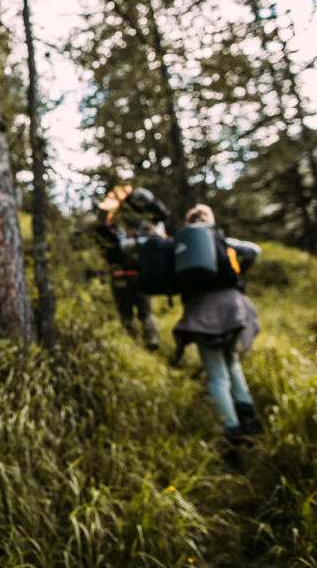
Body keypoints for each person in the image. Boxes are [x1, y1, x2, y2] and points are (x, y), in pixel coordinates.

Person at [171, 204, 262, 463]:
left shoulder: (182, 246)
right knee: (233, 364)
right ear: (209, 219)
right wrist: (237, 272)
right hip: (233, 308)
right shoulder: (221, 239)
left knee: (216, 376)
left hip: (200, 312)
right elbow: (255, 250)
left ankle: (232, 437)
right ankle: (249, 424)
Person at [94, 186, 169, 350]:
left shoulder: (118, 221)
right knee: (144, 312)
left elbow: (99, 230)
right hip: (137, 273)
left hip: (122, 274)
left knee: (128, 313)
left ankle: (137, 343)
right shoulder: (146, 223)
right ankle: (150, 340)